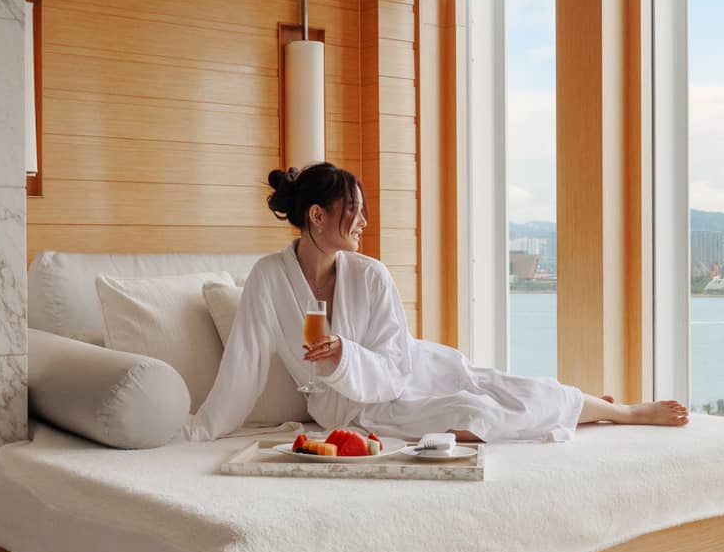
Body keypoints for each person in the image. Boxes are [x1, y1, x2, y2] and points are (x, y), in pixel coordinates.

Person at [181, 163, 688, 443]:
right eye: (353, 211)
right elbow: (242, 367)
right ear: (317, 215)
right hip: (353, 409)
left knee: (503, 387)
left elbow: (396, 362)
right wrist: (200, 431)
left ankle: (622, 413)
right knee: (473, 413)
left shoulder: (371, 274)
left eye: (363, 211)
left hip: (408, 372)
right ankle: (586, 409)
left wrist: (345, 356)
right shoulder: (270, 278)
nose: (362, 223)